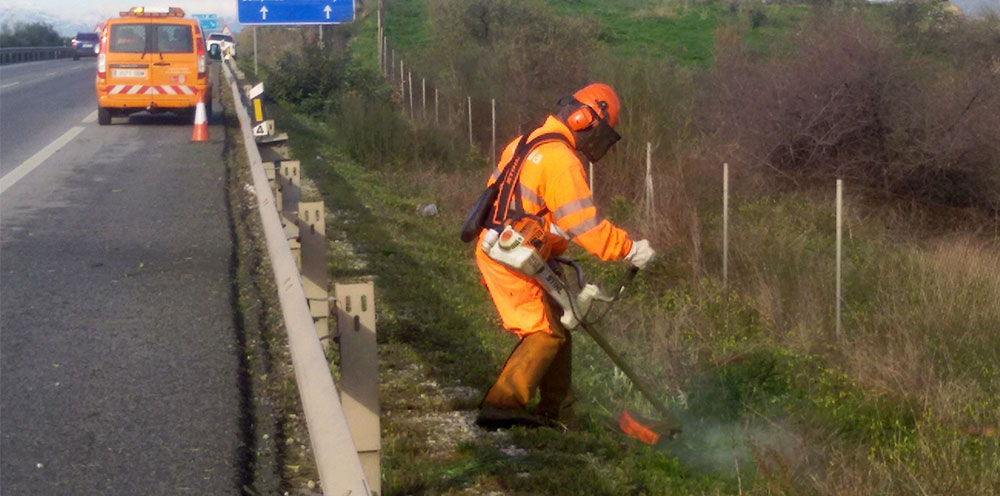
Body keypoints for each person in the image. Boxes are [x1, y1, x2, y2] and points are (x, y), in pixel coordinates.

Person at [474, 83, 657, 429]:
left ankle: (558, 409)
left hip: (506, 247)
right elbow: (585, 226)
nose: (595, 142)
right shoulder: (561, 160)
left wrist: (551, 236)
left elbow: (503, 200)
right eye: (597, 132)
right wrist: (630, 249)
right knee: (545, 333)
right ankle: (501, 405)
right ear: (582, 118)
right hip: (513, 259)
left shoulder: (524, 142)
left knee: (558, 324)